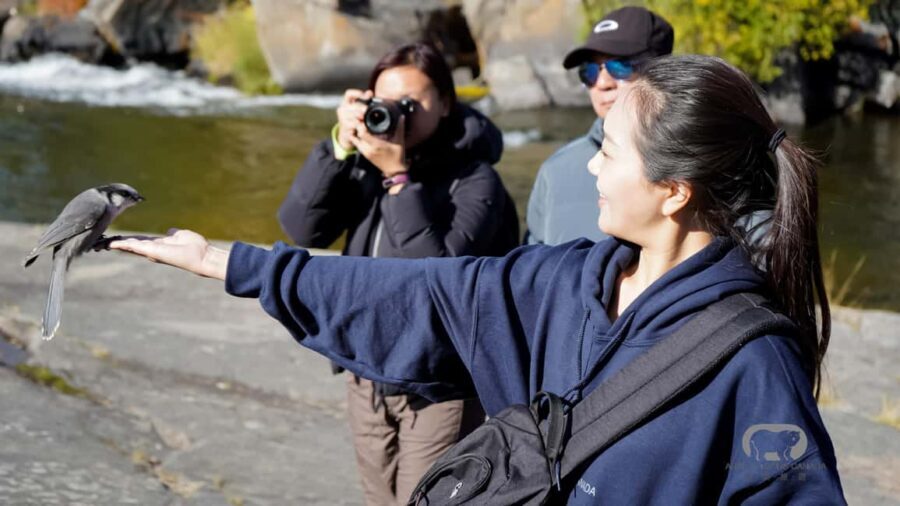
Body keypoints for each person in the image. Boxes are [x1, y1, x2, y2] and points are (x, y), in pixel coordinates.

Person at [111, 54, 846, 504]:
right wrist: (230, 263)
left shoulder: (754, 364)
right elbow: (414, 291)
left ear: (675, 189)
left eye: (611, 154)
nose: (590, 164)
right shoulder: (564, 285)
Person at [275, 42, 519, 505]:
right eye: (384, 102)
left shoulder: (476, 181)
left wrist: (399, 179)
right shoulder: (365, 164)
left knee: (422, 500)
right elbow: (301, 228)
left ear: (446, 104)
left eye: (411, 103)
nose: (397, 115)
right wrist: (337, 148)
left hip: (440, 382)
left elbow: (431, 278)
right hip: (366, 371)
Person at [525, 6, 673, 245]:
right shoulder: (554, 172)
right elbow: (531, 267)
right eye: (589, 71)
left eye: (620, 66)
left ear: (663, 71)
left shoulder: (698, 165)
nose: (603, 83)